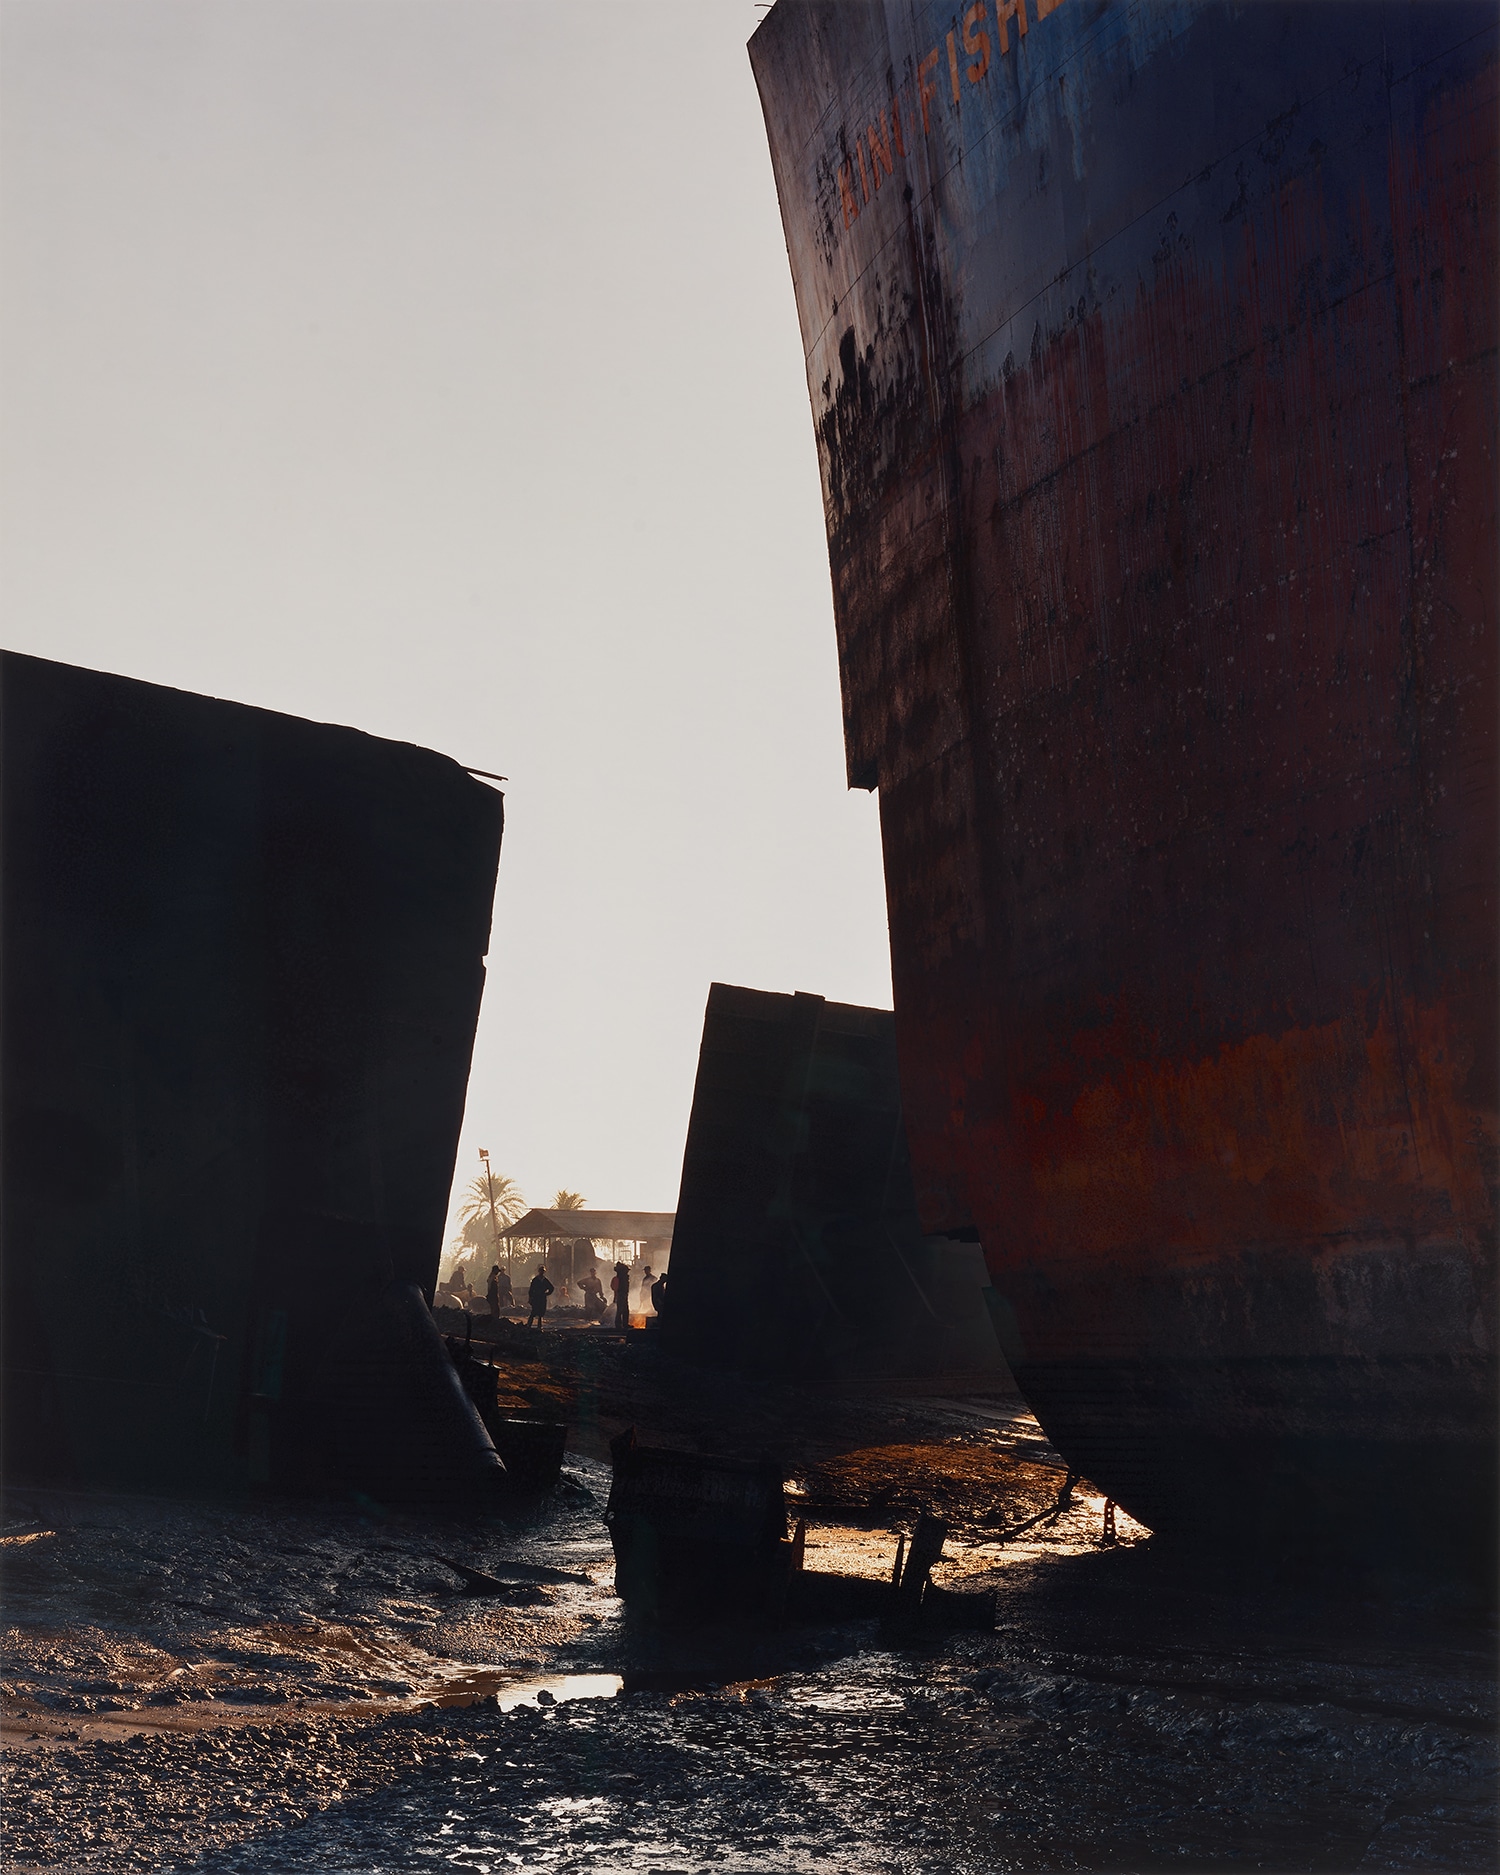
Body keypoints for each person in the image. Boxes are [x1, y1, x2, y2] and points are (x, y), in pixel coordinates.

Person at [526, 1265, 554, 1329]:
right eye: (541, 1271)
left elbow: (551, 1288)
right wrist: (530, 1298)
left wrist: (547, 1294)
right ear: (539, 1271)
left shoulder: (545, 1280)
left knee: (541, 1313)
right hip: (536, 1298)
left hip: (542, 1298)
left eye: (543, 1271)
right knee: (533, 1312)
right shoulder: (535, 1280)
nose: (542, 1272)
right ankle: (528, 1326)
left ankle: (539, 1327)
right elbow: (531, 1290)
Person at [611, 1260, 631, 1330]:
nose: (627, 1272)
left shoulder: (622, 1278)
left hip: (624, 1294)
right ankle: (618, 1324)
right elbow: (615, 1288)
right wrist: (616, 1296)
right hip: (621, 1294)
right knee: (620, 1310)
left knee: (625, 1310)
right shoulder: (620, 1278)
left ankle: (624, 1324)